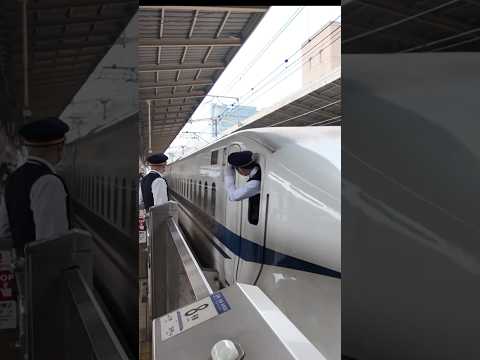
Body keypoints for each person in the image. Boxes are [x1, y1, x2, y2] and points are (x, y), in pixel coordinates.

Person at [0, 117, 71, 256]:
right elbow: (52, 244)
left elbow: (4, 233)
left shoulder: (13, 178)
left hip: (22, 269)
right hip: (41, 274)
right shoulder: (49, 182)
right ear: (60, 146)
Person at [224, 150, 262, 224]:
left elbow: (233, 196)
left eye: (236, 169)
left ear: (241, 169)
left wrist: (229, 176)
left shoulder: (255, 183)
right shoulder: (258, 172)